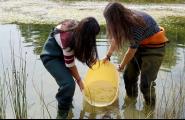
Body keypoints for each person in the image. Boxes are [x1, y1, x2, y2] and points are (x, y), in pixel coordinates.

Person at [103, 2, 168, 107]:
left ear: (116, 18)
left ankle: (149, 110)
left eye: (109, 20)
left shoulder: (135, 24)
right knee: (128, 77)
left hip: (155, 48)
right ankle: (131, 103)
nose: (109, 23)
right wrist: (108, 56)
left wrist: (121, 66)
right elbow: (116, 37)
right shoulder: (122, 20)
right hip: (140, 45)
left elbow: (131, 51)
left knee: (146, 84)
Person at [40, 17, 100, 118]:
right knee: (69, 84)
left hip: (62, 56)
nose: (92, 39)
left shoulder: (78, 30)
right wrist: (79, 80)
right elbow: (70, 65)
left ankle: (68, 105)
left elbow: (80, 49)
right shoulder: (67, 37)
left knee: (67, 85)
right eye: (91, 36)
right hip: (51, 57)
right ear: (85, 33)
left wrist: (92, 59)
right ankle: (62, 114)